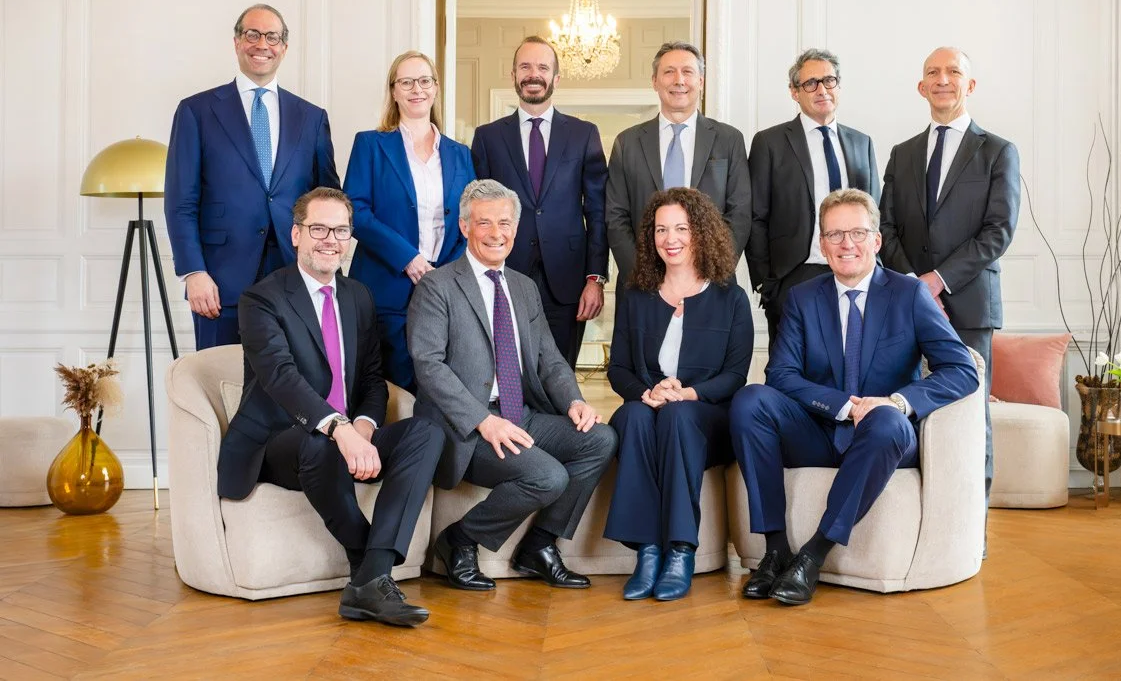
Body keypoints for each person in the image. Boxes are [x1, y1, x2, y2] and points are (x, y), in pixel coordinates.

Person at [729, 188, 978, 606]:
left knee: (884, 421)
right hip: (819, 430)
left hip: (881, 438)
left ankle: (813, 554)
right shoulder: (803, 298)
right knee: (750, 400)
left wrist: (896, 402)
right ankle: (774, 551)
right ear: (822, 245)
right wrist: (845, 405)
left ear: (876, 241)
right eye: (835, 235)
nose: (847, 244)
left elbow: (962, 369)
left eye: (858, 233)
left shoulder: (909, 294)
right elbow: (781, 374)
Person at [217, 188, 444, 627]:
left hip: (347, 435)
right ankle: (368, 569)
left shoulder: (358, 296)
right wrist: (338, 429)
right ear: (296, 234)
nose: (330, 240)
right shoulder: (261, 299)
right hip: (279, 441)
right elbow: (281, 378)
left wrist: (361, 425)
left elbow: (373, 379)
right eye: (318, 229)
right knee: (318, 444)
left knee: (428, 430)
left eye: (340, 230)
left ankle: (372, 577)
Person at [406, 179, 618, 591]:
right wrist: (483, 421)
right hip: (466, 426)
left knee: (601, 439)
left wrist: (574, 400)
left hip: (521, 413)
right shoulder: (438, 286)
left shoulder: (523, 287)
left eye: (504, 223)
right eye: (484, 223)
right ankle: (460, 540)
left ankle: (539, 545)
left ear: (516, 229)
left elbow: (549, 358)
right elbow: (427, 365)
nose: (496, 233)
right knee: (548, 476)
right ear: (465, 227)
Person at [879, 46, 1020, 514]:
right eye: (932, 73)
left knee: (970, 414)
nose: (943, 79)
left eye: (953, 71)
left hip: (969, 305)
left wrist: (937, 282)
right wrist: (916, 286)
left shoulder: (998, 151)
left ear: (970, 85)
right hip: (905, 304)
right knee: (904, 404)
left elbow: (998, 231)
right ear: (922, 87)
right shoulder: (902, 154)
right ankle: (917, 516)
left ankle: (968, 525)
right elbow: (887, 228)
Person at [603, 188, 753, 602]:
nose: (671, 238)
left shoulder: (730, 297)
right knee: (633, 416)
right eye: (661, 229)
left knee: (677, 416)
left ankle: (680, 551)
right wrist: (647, 391)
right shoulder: (634, 292)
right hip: (650, 408)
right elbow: (618, 367)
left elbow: (735, 375)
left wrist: (687, 393)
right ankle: (647, 552)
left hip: (704, 416)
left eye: (681, 228)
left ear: (701, 233)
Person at [165, 4, 340, 350]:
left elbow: (328, 201)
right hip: (219, 281)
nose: (263, 44)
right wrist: (194, 273)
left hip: (295, 273)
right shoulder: (196, 111)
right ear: (237, 42)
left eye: (272, 37)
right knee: (220, 383)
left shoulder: (311, 117)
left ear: (284, 48)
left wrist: (326, 266)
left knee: (295, 385)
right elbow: (180, 202)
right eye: (252, 34)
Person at [472, 36, 608, 368]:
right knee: (506, 372)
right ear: (513, 74)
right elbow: (476, 211)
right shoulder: (488, 137)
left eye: (543, 67)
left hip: (568, 280)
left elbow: (598, 210)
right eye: (526, 66)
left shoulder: (583, 134)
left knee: (560, 375)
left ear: (556, 78)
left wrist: (595, 278)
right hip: (502, 273)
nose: (534, 74)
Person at [343, 51, 475, 392]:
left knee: (438, 389)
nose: (417, 89)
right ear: (395, 91)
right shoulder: (370, 145)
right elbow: (355, 211)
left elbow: (469, 219)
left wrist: (443, 273)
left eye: (424, 80)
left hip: (443, 287)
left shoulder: (460, 153)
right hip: (385, 285)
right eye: (406, 82)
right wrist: (409, 259)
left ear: (435, 88)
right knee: (389, 389)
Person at [746, 48, 879, 344]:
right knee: (790, 371)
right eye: (810, 83)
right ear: (795, 92)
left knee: (852, 366)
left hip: (855, 272)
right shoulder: (769, 143)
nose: (822, 89)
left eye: (829, 81)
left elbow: (876, 215)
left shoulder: (861, 142)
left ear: (839, 86)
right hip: (794, 275)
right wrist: (767, 283)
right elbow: (756, 216)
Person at [605, 41, 751, 285]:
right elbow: (615, 216)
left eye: (687, 72)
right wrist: (644, 274)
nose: (679, 80)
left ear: (701, 82)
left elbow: (740, 213)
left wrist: (710, 270)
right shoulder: (627, 142)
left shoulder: (729, 139)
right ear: (654, 81)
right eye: (669, 71)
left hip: (711, 282)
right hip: (642, 285)